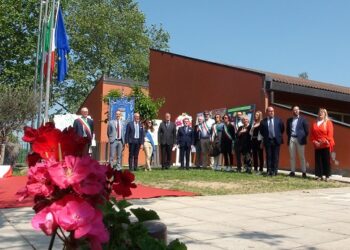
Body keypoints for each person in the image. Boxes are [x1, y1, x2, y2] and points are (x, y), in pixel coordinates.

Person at [310, 108, 335, 181]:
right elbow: (312, 135)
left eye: (322, 113)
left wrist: (323, 141)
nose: (320, 114)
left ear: (325, 114)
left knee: (326, 161)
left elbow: (330, 134)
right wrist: (315, 142)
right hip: (317, 145)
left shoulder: (328, 122)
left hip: (325, 144)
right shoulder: (314, 123)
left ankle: (327, 176)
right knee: (318, 161)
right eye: (319, 112)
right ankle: (319, 175)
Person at [260, 106, 285, 176]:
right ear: (267, 112)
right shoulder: (263, 122)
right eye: (270, 111)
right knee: (269, 156)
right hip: (268, 140)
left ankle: (275, 171)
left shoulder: (279, 120)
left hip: (276, 140)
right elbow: (262, 131)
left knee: (276, 156)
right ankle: (269, 170)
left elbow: (282, 129)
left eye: (272, 111)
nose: (271, 112)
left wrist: (277, 136)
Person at [286, 106, 309, 178]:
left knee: (301, 156)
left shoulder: (303, 119)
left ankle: (304, 172)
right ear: (292, 111)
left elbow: (307, 131)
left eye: (297, 110)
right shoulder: (289, 120)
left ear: (299, 111)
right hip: (292, 139)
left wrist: (302, 137)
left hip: (300, 140)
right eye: (294, 110)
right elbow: (287, 130)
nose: (295, 111)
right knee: (292, 156)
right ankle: (292, 171)